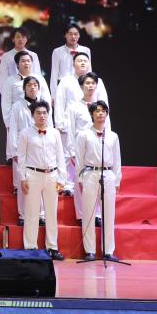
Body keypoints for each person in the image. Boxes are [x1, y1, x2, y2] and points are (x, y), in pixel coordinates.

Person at [17, 101, 66, 260]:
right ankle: (30, 246)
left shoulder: (54, 133)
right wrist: (22, 178)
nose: (42, 116)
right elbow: (21, 158)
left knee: (51, 212)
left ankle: (52, 247)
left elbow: (60, 156)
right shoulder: (25, 133)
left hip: (52, 175)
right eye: (38, 113)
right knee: (31, 211)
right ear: (33, 115)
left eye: (44, 112)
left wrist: (62, 178)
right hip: (33, 174)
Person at [75, 101, 122, 261]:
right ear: (92, 114)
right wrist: (80, 178)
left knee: (108, 213)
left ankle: (108, 250)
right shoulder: (84, 135)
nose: (100, 113)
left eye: (103, 111)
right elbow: (79, 159)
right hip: (90, 173)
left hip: (108, 174)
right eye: (97, 111)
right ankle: (89, 250)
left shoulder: (113, 136)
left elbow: (117, 160)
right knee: (88, 212)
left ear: (107, 114)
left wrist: (117, 180)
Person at [66, 73, 111, 226]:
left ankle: (97, 214)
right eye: (87, 83)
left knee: (97, 182)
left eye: (93, 83)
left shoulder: (101, 107)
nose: (90, 86)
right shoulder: (74, 107)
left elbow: (107, 128)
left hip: (97, 148)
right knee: (80, 181)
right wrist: (72, 151)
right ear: (81, 86)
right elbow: (70, 130)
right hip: (80, 148)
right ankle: (81, 215)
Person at [7, 76, 47, 226]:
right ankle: (23, 215)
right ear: (24, 88)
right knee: (23, 183)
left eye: (35, 85)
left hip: (39, 149)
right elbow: (12, 130)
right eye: (29, 85)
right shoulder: (17, 106)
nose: (32, 87)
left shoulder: (43, 106)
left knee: (41, 182)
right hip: (22, 149)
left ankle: (41, 215)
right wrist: (14, 151)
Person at [54, 52, 108, 129]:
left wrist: (106, 126)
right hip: (71, 122)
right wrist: (59, 125)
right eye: (79, 61)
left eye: (85, 61)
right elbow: (59, 104)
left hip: (93, 122)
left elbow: (104, 104)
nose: (82, 63)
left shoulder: (98, 81)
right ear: (73, 64)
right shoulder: (65, 81)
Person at [0, 50, 52, 123]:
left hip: (38, 119)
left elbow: (46, 100)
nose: (26, 63)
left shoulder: (40, 79)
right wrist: (9, 124)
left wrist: (47, 121)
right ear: (17, 64)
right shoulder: (10, 81)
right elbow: (6, 105)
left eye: (28, 61)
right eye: (23, 61)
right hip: (19, 119)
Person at [0, 26, 42, 94]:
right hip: (13, 91)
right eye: (18, 37)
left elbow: (37, 75)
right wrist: (5, 94)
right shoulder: (6, 56)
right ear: (13, 39)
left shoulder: (33, 55)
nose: (21, 39)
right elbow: (3, 79)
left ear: (26, 39)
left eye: (23, 37)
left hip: (31, 92)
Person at [49, 24, 90, 94]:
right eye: (70, 34)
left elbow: (89, 70)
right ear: (65, 35)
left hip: (80, 86)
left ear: (79, 35)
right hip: (63, 87)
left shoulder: (86, 50)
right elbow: (54, 74)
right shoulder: (57, 51)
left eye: (76, 34)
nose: (73, 37)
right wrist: (53, 94)